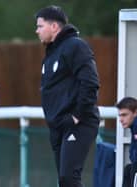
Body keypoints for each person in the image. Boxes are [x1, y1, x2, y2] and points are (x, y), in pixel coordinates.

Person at [35, 5, 100, 187]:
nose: (36, 30)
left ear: (54, 26)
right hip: (58, 125)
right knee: (64, 181)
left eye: (40, 26)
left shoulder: (76, 46)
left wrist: (77, 116)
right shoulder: (51, 54)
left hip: (78, 123)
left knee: (69, 178)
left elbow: (90, 83)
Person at [116, 97, 137, 187]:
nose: (121, 119)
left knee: (135, 168)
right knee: (129, 169)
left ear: (135, 112)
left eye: (124, 115)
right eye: (120, 115)